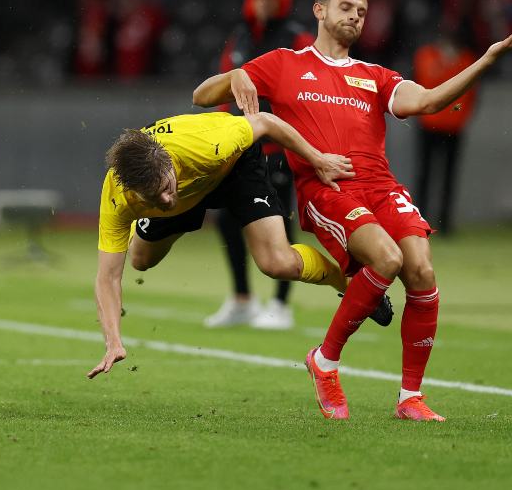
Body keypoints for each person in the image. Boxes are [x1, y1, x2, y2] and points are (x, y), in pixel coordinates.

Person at [193, 0, 512, 421]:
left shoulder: (375, 76)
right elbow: (202, 96)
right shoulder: (282, 63)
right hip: (328, 189)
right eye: (346, 6)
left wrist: (487, 59)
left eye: (362, 12)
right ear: (319, 9)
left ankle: (410, 397)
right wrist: (237, 72)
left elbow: (428, 102)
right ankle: (326, 362)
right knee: (386, 260)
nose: (355, 15)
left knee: (423, 271)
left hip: (382, 187)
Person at [88, 110, 357, 379]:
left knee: (278, 264)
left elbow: (266, 121)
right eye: (153, 198)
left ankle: (346, 282)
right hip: (189, 191)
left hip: (231, 170)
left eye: (165, 188)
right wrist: (113, 342)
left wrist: (317, 159)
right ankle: (154, 220)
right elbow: (107, 277)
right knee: (140, 260)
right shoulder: (118, 198)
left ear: (168, 162)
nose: (166, 200)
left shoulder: (210, 143)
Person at [206, 0, 315, 330]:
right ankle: (242, 299)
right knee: (226, 220)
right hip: (241, 147)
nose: (264, 3)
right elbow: (224, 90)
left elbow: (309, 91)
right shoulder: (239, 37)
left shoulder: (296, 39)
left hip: (278, 148)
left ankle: (281, 304)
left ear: (283, 1)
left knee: (280, 224)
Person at [413, 31, 477, 235]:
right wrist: (447, 63)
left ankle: (446, 221)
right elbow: (426, 81)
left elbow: (470, 91)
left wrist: (462, 117)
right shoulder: (426, 55)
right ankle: (420, 220)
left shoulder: (466, 59)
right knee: (424, 174)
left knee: (449, 176)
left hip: (453, 126)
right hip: (429, 124)